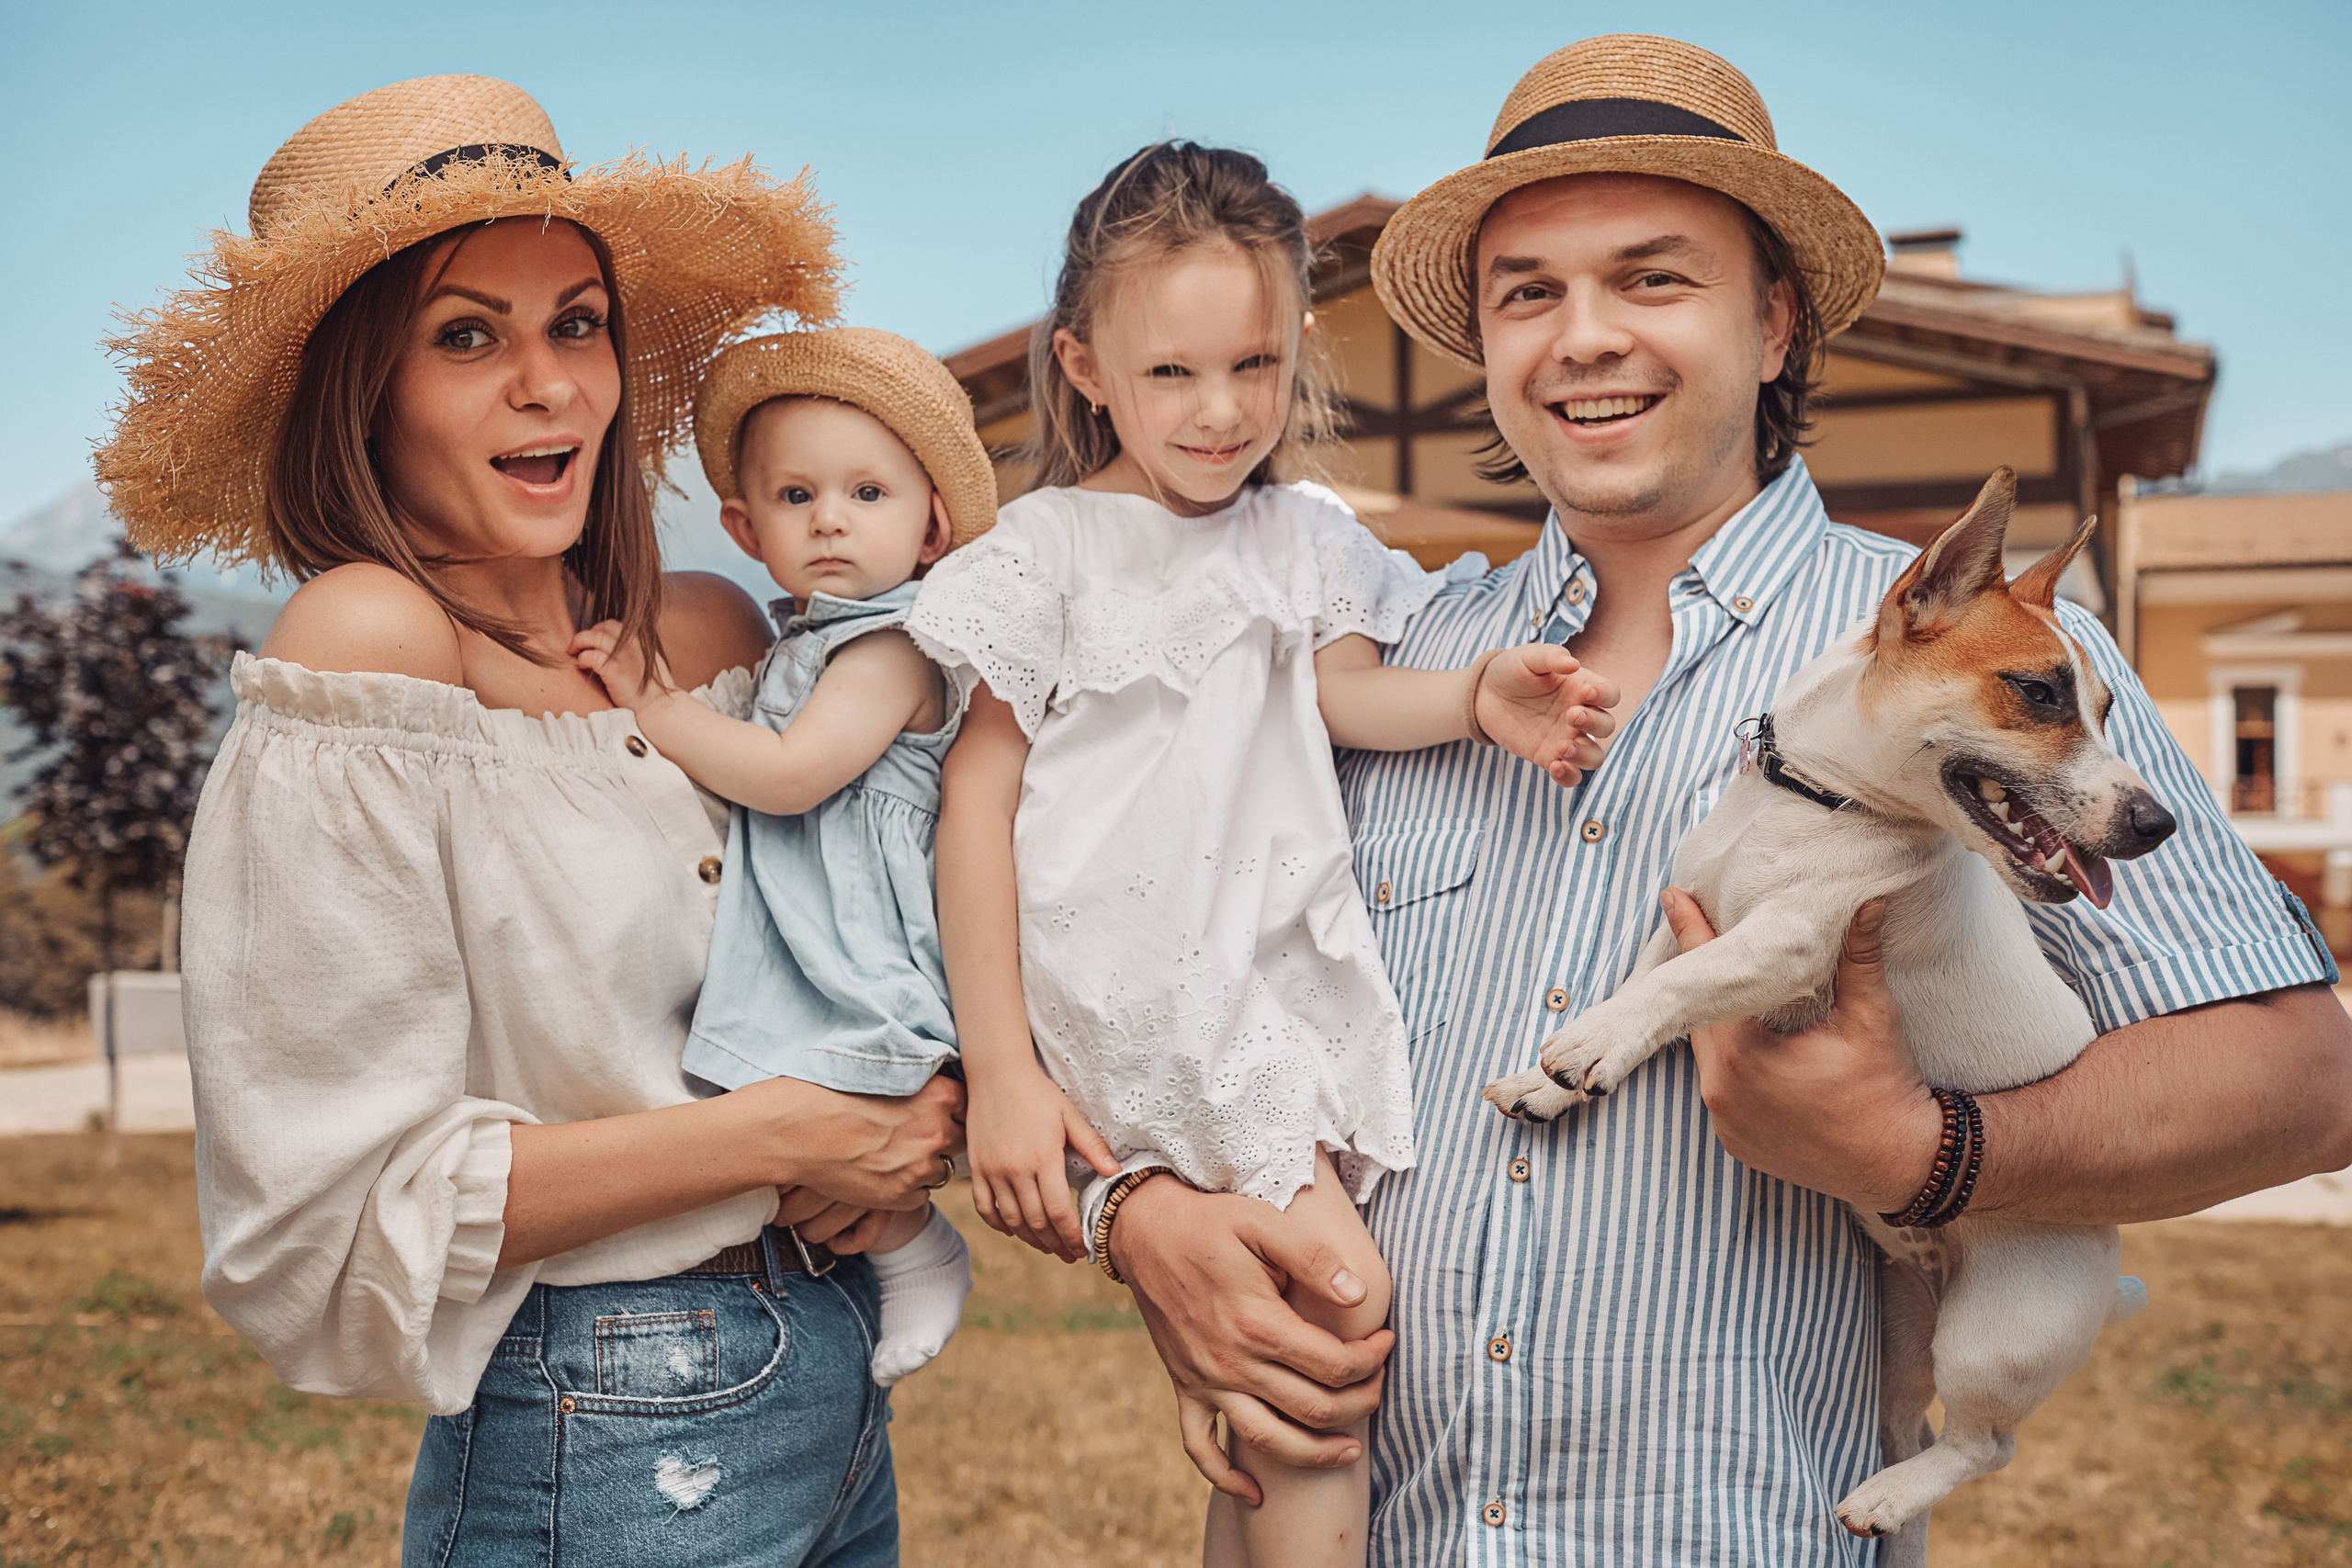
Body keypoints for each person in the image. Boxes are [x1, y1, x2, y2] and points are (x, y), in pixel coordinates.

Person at [1096, 35, 2352, 1565]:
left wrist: (1928, 1148)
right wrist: (1143, 1222)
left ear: (1773, 322)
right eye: (1529, 291)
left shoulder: (1994, 664)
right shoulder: (1385, 659)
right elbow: (1152, 958)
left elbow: (2301, 1079)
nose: (1584, 337)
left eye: (1653, 277)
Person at [101, 76, 961, 1566]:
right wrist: (787, 1134)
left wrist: (925, 1111)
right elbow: (335, 1204)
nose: (550, 382)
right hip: (613, 1413)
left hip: (835, 1364)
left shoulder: (708, 630)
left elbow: (871, 899)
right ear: (364, 388)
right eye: (464, 335)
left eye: (575, 320)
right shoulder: (367, 651)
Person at [905, 142, 1616, 1568]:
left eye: (1257, 365)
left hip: (1259, 971)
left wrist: (1473, 699)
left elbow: (1347, 692)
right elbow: (972, 806)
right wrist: (1003, 1075)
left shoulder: (1309, 537)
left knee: (1268, 1336)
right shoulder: (1045, 552)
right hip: (1143, 989)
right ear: (1086, 365)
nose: (1223, 411)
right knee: (1342, 1304)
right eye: (1172, 374)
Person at [571, 327, 1001, 1388]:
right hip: (808, 917)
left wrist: (653, 705)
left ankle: (916, 1248)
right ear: (744, 525)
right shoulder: (808, 639)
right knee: (781, 1123)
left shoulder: (892, 646)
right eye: (797, 498)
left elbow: (789, 774)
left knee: (836, 1094)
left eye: (868, 493)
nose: (832, 520)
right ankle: (884, 1252)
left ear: (933, 525)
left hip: (866, 933)